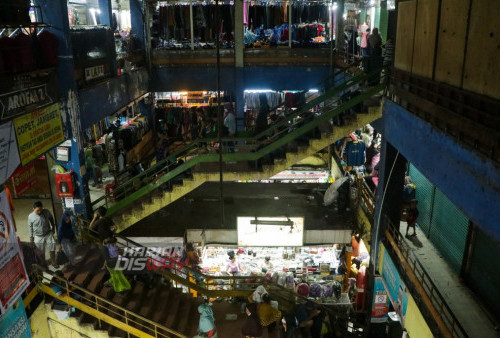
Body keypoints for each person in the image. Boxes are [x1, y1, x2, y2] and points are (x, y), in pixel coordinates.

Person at [28, 201, 59, 268]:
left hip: (48, 234)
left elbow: (51, 218)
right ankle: (43, 263)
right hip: (38, 237)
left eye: (41, 209)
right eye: (37, 210)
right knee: (40, 252)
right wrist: (31, 237)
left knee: (52, 248)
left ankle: (53, 261)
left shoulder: (46, 212)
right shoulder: (30, 216)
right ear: (33, 209)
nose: (40, 211)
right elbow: (30, 227)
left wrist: (53, 227)